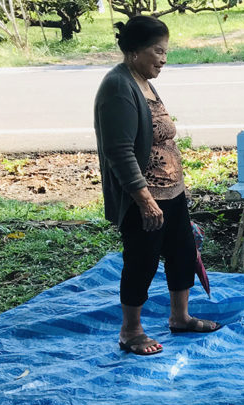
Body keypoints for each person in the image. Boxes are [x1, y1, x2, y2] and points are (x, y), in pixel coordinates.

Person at [94, 15, 220, 356]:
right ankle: (130, 330)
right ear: (135, 51)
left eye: (166, 52)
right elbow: (119, 151)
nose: (163, 59)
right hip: (144, 197)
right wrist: (144, 199)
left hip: (172, 192)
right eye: (157, 51)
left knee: (182, 253)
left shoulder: (144, 80)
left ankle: (180, 317)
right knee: (143, 260)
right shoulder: (119, 87)